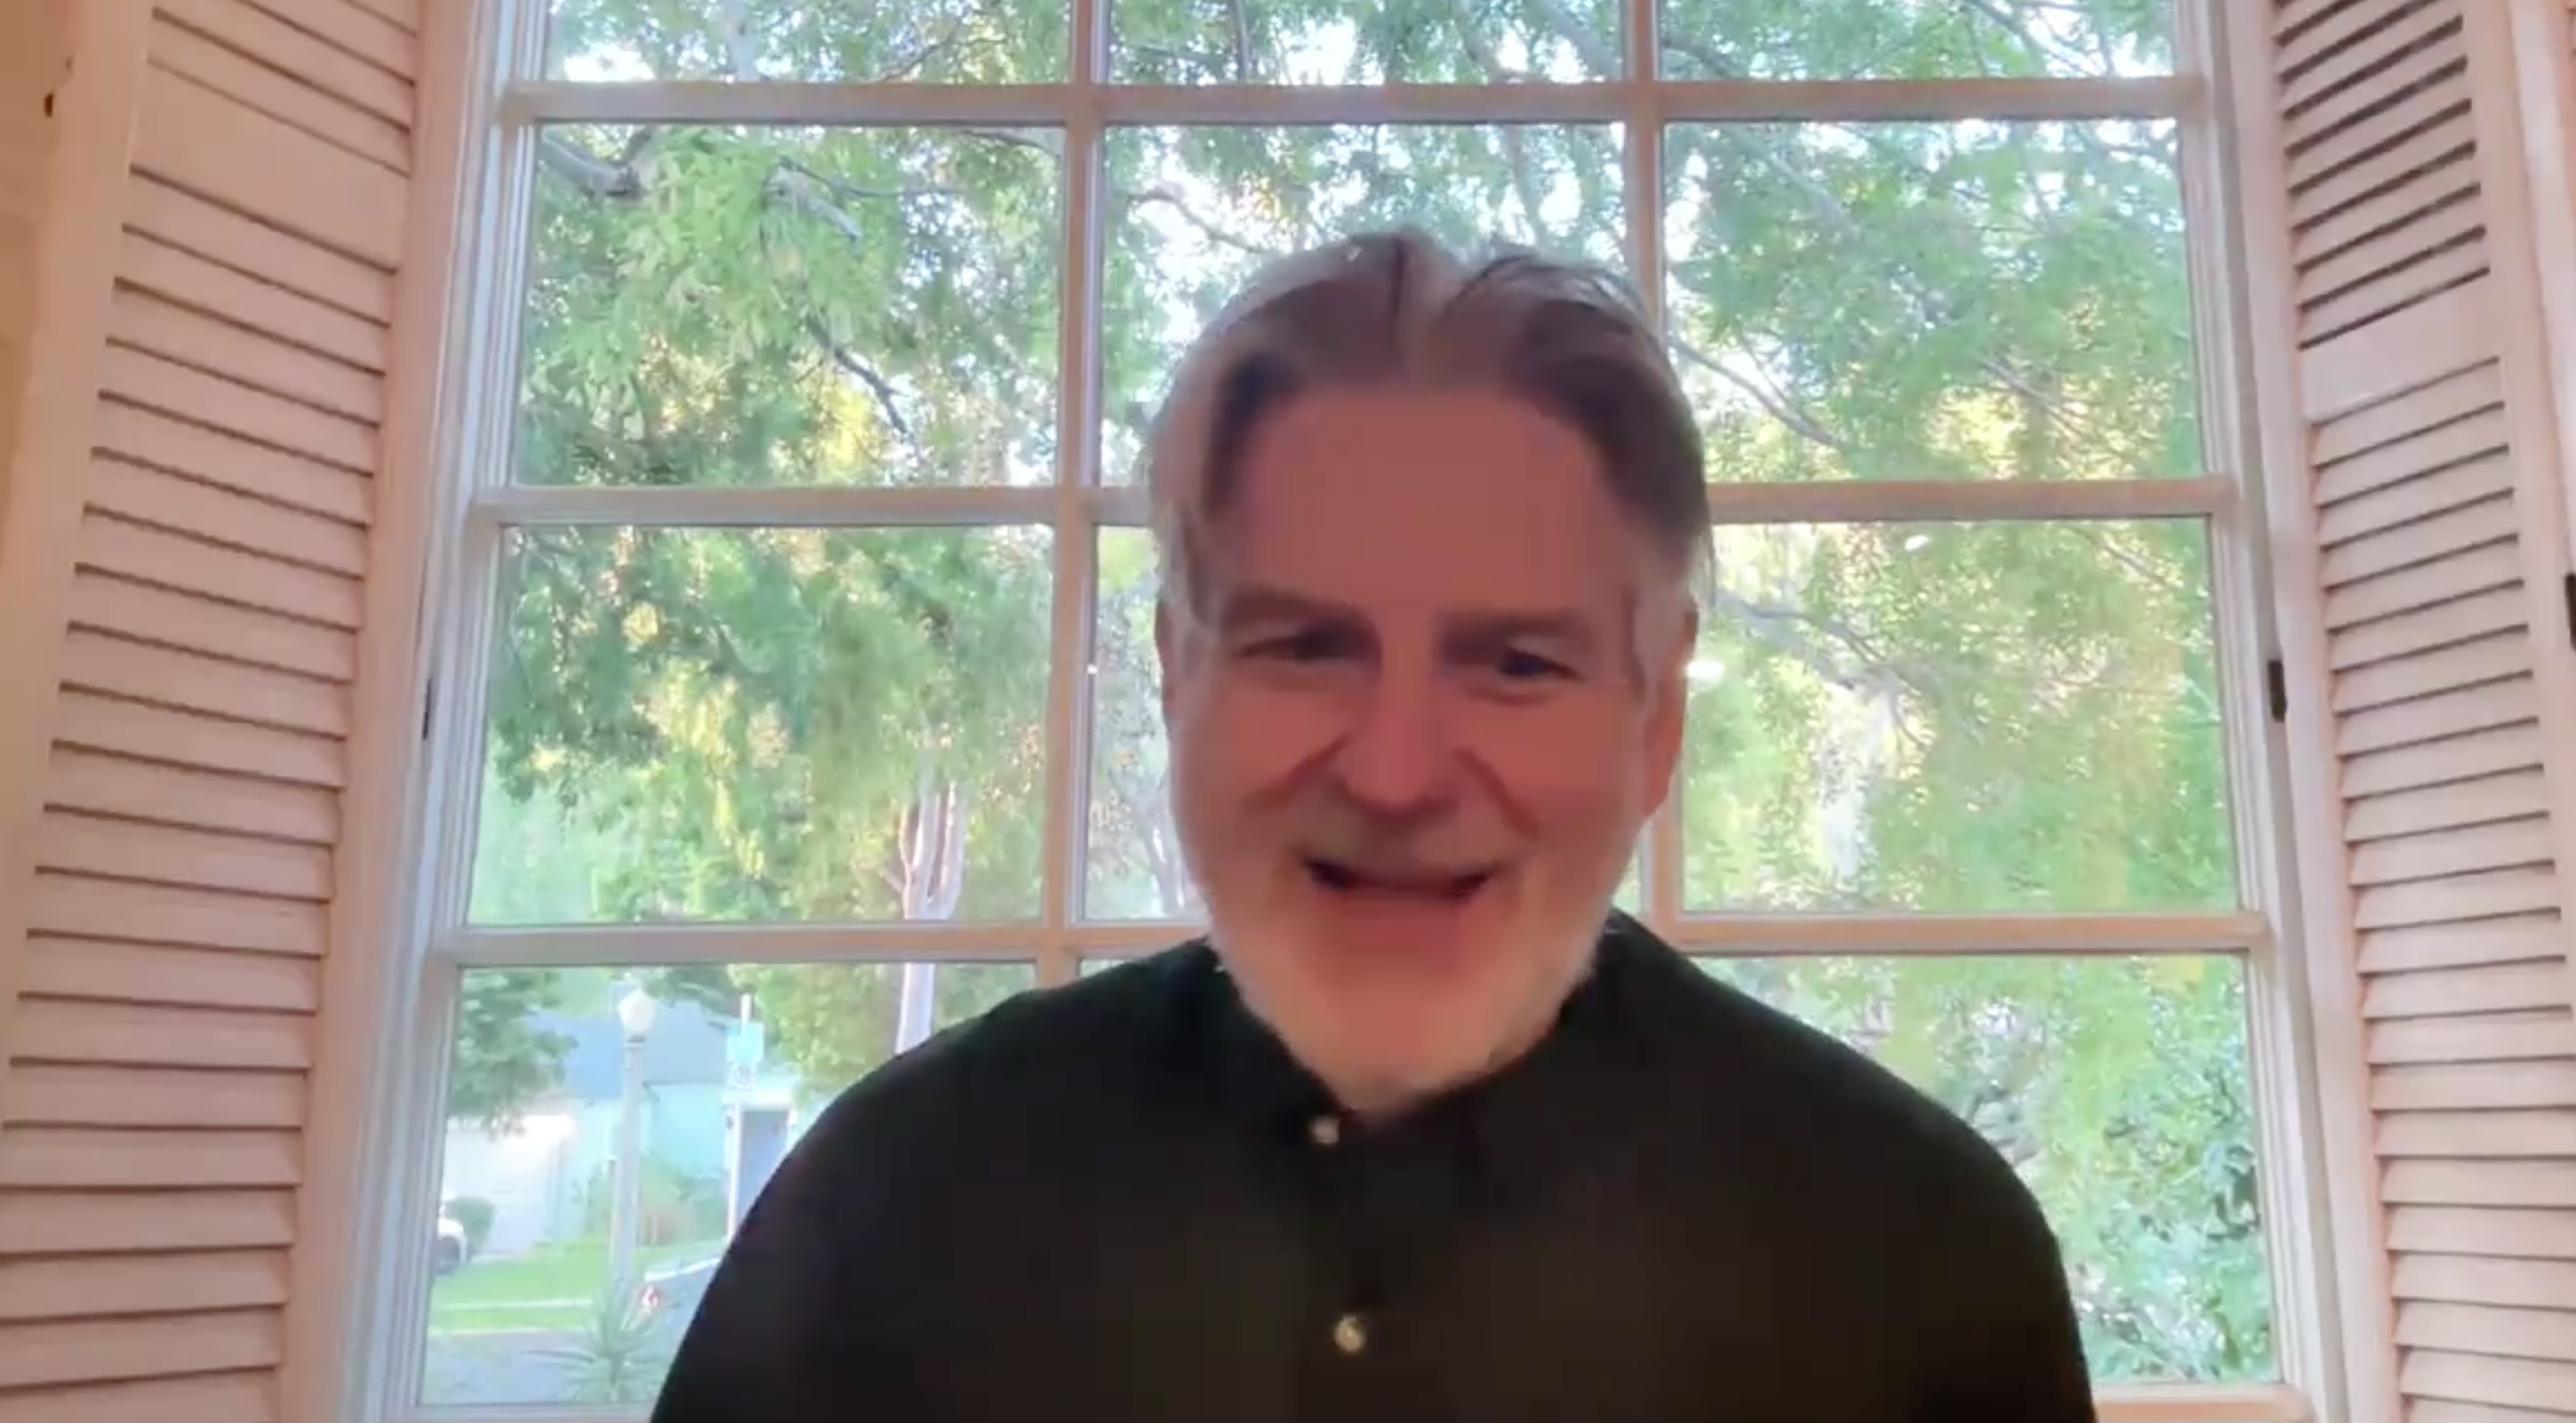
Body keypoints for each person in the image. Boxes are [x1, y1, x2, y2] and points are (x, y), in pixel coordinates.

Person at [651, 229, 2097, 1422]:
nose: (1399, 773)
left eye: (1516, 661)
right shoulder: (889, 1216)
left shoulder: (1918, 1267)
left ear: (1654, 721)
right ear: (1176, 675)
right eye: (1304, 646)